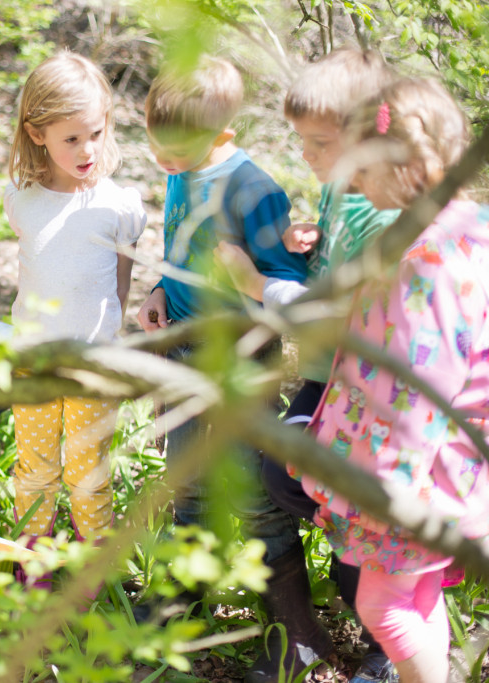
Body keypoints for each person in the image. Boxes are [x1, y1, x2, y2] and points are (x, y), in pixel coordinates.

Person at [212, 49, 400, 683]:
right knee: (283, 474)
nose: (308, 157)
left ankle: (390, 649)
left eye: (320, 143)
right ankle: (359, 573)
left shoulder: (384, 213)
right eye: (302, 142)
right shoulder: (343, 192)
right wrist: (314, 243)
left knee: (351, 517)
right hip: (326, 379)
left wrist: (258, 281)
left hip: (366, 390)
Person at [295, 77, 489, 683]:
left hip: (417, 478)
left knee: (383, 605)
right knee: (414, 593)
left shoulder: (427, 260)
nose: (350, 181)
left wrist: (377, 484)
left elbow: (414, 391)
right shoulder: (470, 225)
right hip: (457, 466)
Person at [134, 55, 311, 659]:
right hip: (184, 346)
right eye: (158, 149)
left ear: (223, 135)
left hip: (241, 358)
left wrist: (246, 281)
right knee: (186, 478)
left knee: (255, 494)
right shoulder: (182, 170)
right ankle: (188, 590)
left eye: (176, 153)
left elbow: (287, 282)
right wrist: (160, 290)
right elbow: (176, 245)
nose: (166, 164)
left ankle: (291, 628)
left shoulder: (253, 190)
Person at [5, 51, 146, 579]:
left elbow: (121, 281)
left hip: (92, 364)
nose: (87, 149)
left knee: (88, 472)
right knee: (36, 467)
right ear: (37, 132)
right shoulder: (22, 200)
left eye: (96, 132)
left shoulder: (119, 205)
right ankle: (32, 552)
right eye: (71, 138)